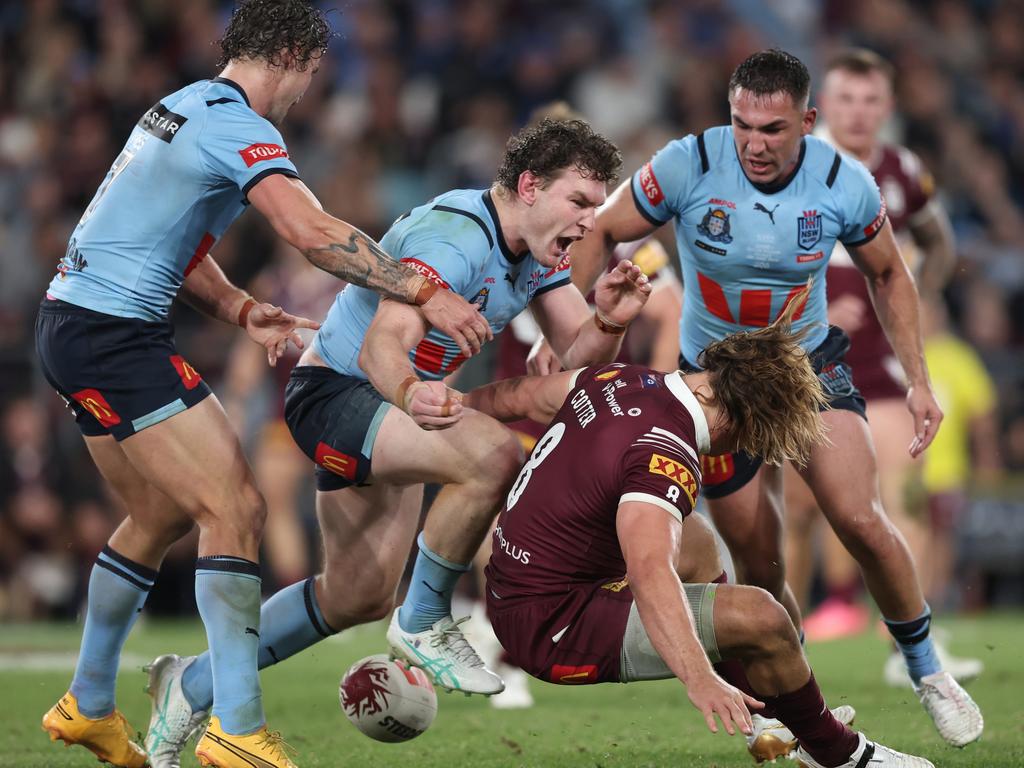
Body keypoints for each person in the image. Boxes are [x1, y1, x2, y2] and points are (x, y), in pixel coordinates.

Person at [37, 3, 491, 768]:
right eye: (310, 75)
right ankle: (238, 730)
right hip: (114, 338)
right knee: (237, 509)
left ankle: (86, 702)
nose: (304, 93)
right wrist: (422, 292)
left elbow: (166, 241)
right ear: (290, 56)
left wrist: (242, 308)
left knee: (154, 515)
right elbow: (310, 232)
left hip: (77, 323)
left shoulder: (179, 107)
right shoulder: (239, 124)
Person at [143, 117, 652, 765]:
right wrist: (414, 394)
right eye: (578, 202)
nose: (587, 223)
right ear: (529, 187)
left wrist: (609, 315)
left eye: (595, 208)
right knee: (494, 456)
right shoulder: (456, 238)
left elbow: (579, 359)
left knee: (355, 594)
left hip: (389, 408)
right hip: (339, 396)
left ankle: (189, 687)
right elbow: (386, 342)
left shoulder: (536, 254)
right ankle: (424, 620)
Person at [558, 48, 982, 747]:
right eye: (742, 125)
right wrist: (569, 325)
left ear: (807, 122)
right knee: (761, 564)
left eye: (774, 130)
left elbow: (892, 274)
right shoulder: (688, 163)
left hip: (806, 368)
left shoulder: (844, 182)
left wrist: (920, 380)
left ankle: (928, 669)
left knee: (861, 520)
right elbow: (601, 227)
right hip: (717, 384)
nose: (754, 143)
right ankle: (806, 703)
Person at [468, 297, 935, 768]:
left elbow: (519, 397)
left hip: (514, 586)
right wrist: (699, 677)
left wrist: (457, 406)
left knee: (696, 539)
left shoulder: (619, 378)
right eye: (753, 432)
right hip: (552, 627)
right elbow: (649, 570)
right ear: (730, 409)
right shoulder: (666, 454)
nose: (744, 446)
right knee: (765, 618)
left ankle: (767, 719)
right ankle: (840, 755)